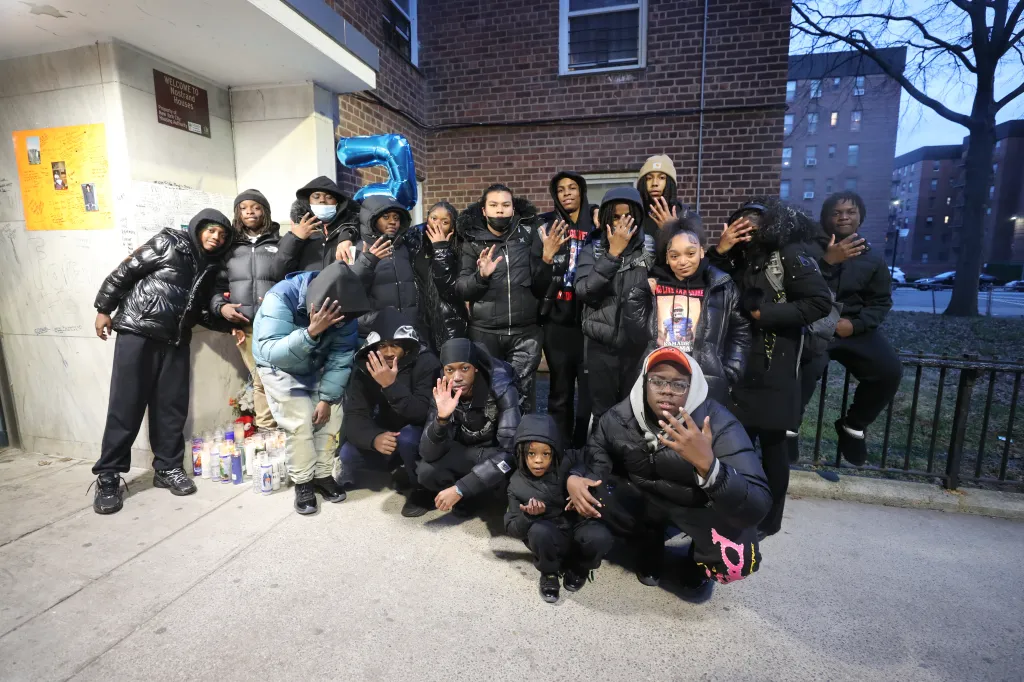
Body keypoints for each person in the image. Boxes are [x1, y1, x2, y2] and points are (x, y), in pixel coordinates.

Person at [567, 347, 771, 602]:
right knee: (589, 492)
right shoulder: (620, 417)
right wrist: (576, 477)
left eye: (679, 384)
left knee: (737, 562)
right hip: (646, 502)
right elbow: (596, 453)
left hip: (696, 507)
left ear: (693, 387)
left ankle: (697, 561)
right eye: (657, 381)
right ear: (644, 383)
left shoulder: (717, 423)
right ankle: (650, 541)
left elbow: (757, 505)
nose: (667, 390)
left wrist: (710, 467)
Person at [91, 209, 233, 514]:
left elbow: (202, 310)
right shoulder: (169, 242)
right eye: (211, 230)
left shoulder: (212, 266)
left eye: (222, 235)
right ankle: (108, 475)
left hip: (176, 340)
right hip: (138, 331)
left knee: (171, 407)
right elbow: (125, 271)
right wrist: (104, 309)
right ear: (198, 229)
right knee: (126, 405)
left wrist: (228, 323)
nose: (216, 238)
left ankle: (167, 468)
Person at [708, 198, 832, 539]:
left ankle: (769, 520)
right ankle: (736, 510)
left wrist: (766, 314)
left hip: (775, 363)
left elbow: (819, 301)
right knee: (735, 444)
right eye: (740, 224)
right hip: (735, 365)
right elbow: (702, 283)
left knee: (774, 447)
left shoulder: (787, 254)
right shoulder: (732, 257)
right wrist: (721, 249)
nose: (748, 231)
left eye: (755, 224)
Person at [252, 262, 369, 515]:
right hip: (278, 365)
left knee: (331, 416)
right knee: (300, 421)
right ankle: (303, 481)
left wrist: (326, 399)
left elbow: (341, 356)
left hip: (316, 362)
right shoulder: (280, 298)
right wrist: (311, 332)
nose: (340, 323)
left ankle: (323, 475)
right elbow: (272, 351)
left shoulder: (344, 307)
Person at [798, 192, 902, 465]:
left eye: (850, 212)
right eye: (836, 212)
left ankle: (853, 427)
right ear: (825, 217)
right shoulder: (807, 250)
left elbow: (880, 301)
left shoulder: (872, 257)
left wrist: (855, 325)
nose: (843, 217)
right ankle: (788, 430)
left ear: (860, 217)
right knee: (802, 369)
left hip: (852, 328)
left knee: (889, 370)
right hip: (814, 325)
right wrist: (827, 262)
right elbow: (797, 288)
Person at [456, 184, 564, 412]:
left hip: (524, 333)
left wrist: (546, 259)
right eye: (494, 205)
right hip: (485, 333)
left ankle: (521, 436)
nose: (500, 210)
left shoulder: (530, 234)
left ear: (513, 209)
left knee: (521, 399)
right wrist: (481, 276)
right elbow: (463, 289)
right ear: (484, 210)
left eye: (506, 205)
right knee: (489, 399)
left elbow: (541, 287)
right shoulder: (472, 240)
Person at [625, 218, 751, 404]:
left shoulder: (721, 286)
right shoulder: (654, 284)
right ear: (666, 257)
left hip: (705, 380)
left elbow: (740, 331)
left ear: (702, 251)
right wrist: (639, 293)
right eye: (674, 256)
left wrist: (731, 370)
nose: (682, 262)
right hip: (659, 377)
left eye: (690, 253)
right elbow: (636, 333)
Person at [339, 307, 440, 517]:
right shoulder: (364, 368)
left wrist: (389, 385)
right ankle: (397, 468)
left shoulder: (426, 362)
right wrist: (373, 438)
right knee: (348, 453)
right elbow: (355, 415)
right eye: (382, 345)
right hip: (387, 433)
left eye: (395, 345)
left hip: (417, 433)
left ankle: (422, 489)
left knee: (407, 439)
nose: (388, 352)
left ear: (406, 345)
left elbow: (422, 412)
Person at [504, 414, 614, 603]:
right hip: (550, 535)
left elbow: (593, 456)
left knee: (601, 537)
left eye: (545, 454)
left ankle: (580, 567)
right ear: (521, 453)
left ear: (554, 452)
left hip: (578, 525)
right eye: (531, 454)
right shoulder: (516, 484)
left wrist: (576, 476)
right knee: (538, 532)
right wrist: (528, 516)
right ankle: (549, 573)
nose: (538, 460)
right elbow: (511, 527)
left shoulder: (567, 460)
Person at [417, 338, 522, 516]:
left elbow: (511, 452)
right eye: (450, 370)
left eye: (464, 368)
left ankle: (472, 494)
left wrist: (461, 488)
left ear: (476, 368)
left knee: (515, 479)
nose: (457, 377)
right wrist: (441, 420)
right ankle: (470, 497)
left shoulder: (501, 387)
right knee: (426, 472)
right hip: (466, 451)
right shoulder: (443, 390)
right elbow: (427, 453)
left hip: (495, 453)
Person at [575, 187, 653, 421]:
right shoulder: (593, 249)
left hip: (637, 345)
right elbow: (584, 291)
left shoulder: (649, 250)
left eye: (627, 216)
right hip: (601, 345)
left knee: (635, 412)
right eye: (616, 217)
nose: (621, 223)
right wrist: (612, 255)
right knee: (603, 414)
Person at [210, 189, 286, 430]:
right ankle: (266, 430)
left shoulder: (280, 243)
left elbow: (291, 279)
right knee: (259, 378)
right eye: (243, 208)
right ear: (237, 213)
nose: (250, 212)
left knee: (281, 377)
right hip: (246, 326)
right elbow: (216, 286)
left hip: (277, 324)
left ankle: (287, 430)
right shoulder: (229, 247)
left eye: (256, 207)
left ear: (265, 211)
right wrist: (222, 308)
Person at [537, 171, 599, 447]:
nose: (566, 194)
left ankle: (583, 449)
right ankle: (558, 447)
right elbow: (537, 274)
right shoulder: (547, 225)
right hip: (557, 322)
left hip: (589, 321)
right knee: (559, 391)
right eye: (560, 189)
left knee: (588, 394)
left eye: (572, 188)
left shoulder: (596, 223)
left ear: (581, 191)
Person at [348, 195, 416, 338]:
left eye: (396, 218)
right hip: (372, 331)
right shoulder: (356, 248)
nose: (392, 222)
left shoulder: (403, 247)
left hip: (405, 330)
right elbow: (350, 288)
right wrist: (368, 261)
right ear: (372, 220)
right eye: (386, 217)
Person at [414, 201, 468, 351]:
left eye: (445, 222)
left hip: (449, 322)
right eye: (434, 218)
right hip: (421, 322)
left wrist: (440, 249)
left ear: (452, 227)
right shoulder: (416, 243)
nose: (437, 225)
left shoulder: (460, 250)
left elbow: (449, 289)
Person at [278, 176, 361, 272]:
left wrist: (348, 234)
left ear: (338, 203)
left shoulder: (351, 232)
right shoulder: (297, 233)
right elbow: (278, 272)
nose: (322, 200)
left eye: (329, 197)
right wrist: (295, 238)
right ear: (308, 201)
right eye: (316, 197)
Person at [635, 155, 693, 238]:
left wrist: (672, 230)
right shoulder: (634, 215)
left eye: (662, 178)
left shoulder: (686, 216)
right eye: (649, 178)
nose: (655, 183)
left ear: (670, 183)